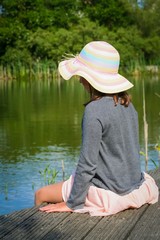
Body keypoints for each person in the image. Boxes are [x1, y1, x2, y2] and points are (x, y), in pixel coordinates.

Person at [35, 41, 159, 216]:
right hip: (133, 185)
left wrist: (72, 203)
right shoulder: (127, 104)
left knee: (40, 194)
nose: (78, 80)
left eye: (81, 75)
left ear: (90, 78)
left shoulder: (94, 110)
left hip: (108, 191)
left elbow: (87, 164)